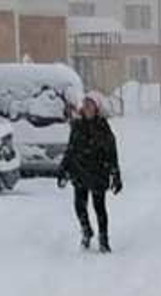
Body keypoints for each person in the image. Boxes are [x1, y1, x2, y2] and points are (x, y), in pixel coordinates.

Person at [58, 93, 123, 253]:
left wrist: (115, 174)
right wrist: (63, 170)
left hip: (98, 172)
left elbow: (111, 152)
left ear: (97, 108)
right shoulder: (77, 126)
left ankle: (103, 239)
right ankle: (86, 230)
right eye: (85, 104)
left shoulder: (103, 127)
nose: (87, 108)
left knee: (99, 207)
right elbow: (70, 150)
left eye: (90, 105)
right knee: (79, 206)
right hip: (79, 171)